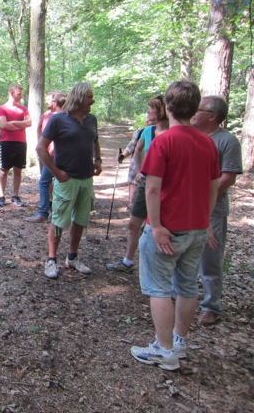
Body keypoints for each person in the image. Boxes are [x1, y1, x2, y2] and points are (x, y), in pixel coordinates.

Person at [130, 80, 219, 371]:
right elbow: (212, 188)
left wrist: (155, 226)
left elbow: (152, 188)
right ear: (194, 109)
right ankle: (178, 342)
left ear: (168, 107)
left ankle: (165, 350)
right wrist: (205, 221)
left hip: (168, 228)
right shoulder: (207, 142)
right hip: (196, 228)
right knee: (186, 285)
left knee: (159, 288)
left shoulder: (164, 141)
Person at [37, 82, 102, 279]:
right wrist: (56, 172)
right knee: (58, 220)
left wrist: (98, 159)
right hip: (67, 180)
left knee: (80, 220)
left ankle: (72, 258)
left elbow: (95, 140)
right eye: (90, 97)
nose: (93, 100)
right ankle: (51, 260)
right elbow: (41, 148)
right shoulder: (58, 120)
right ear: (80, 98)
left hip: (86, 179)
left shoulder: (91, 119)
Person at [192, 95, 242, 326]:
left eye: (199, 109)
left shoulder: (227, 141)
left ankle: (211, 306)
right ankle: (178, 296)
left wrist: (202, 198)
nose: (194, 112)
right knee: (182, 252)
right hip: (186, 207)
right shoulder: (191, 136)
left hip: (212, 211)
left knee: (210, 258)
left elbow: (228, 178)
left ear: (212, 116)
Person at [106, 96, 168, 274]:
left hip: (166, 187)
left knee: (160, 225)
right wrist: (141, 170)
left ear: (161, 111)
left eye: (152, 108)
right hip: (146, 185)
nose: (148, 112)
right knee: (134, 224)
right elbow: (137, 149)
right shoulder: (148, 131)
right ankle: (127, 261)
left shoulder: (174, 133)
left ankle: (160, 267)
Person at [29, 92, 66, 222]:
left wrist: (49, 150)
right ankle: (52, 210)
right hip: (46, 153)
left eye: (49, 99)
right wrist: (41, 146)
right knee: (48, 181)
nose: (46, 101)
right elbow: (39, 129)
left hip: (55, 155)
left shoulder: (60, 117)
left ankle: (44, 213)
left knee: (45, 182)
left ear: (56, 102)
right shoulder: (45, 115)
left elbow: (59, 137)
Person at [0, 84, 31, 207]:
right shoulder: (2, 108)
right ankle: (1, 196)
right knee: (3, 170)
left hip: (21, 142)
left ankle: (15, 196)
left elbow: (29, 123)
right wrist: (20, 124)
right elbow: (4, 125)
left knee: (18, 170)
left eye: (21, 94)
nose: (21, 96)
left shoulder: (23, 109)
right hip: (6, 142)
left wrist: (14, 122)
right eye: (18, 94)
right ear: (11, 93)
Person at [117, 112, 156, 211]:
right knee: (133, 183)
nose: (148, 121)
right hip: (137, 164)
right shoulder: (140, 132)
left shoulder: (162, 132)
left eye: (150, 120)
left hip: (149, 166)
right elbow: (131, 147)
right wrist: (122, 156)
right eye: (147, 120)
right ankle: (131, 205)